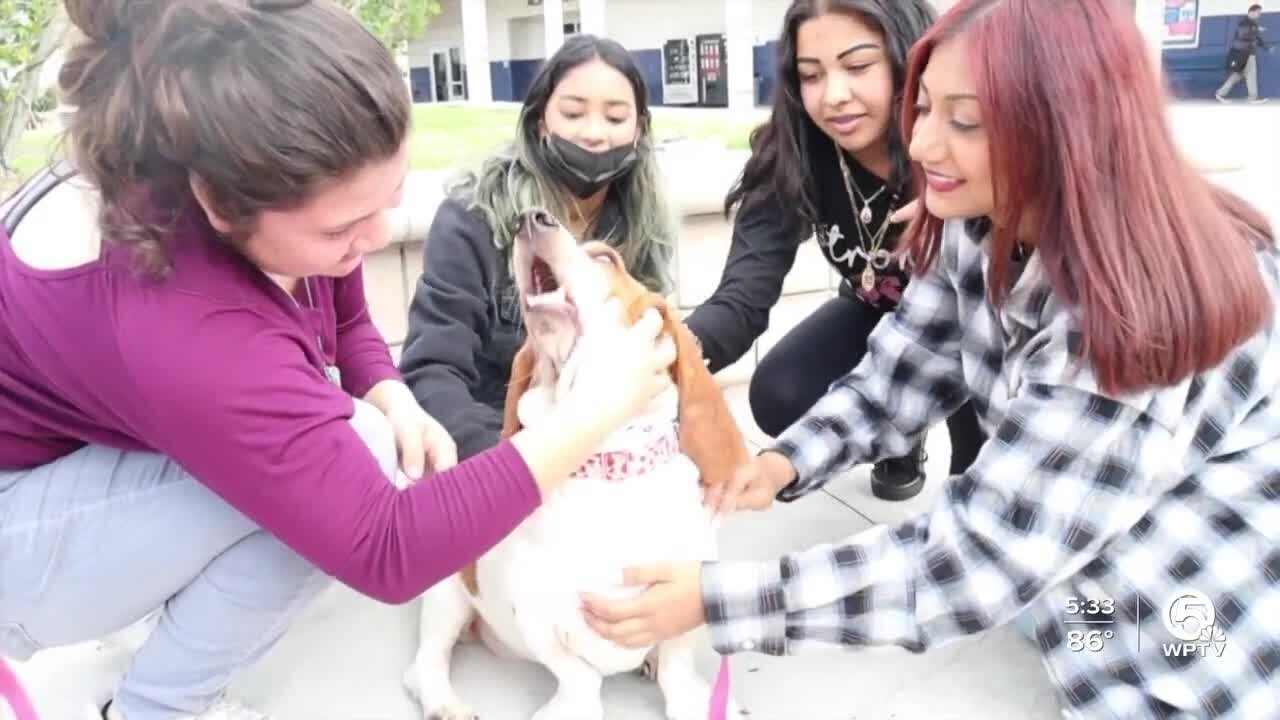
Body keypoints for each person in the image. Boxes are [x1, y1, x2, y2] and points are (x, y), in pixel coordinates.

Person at [581, 1, 1280, 718]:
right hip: (1075, 587)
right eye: (925, 110)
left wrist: (713, 599)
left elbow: (972, 563)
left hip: (1201, 637)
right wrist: (780, 465)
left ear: (1070, 125)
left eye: (966, 121)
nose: (919, 148)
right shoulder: (974, 218)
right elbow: (901, 366)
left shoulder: (1143, 307)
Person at [0, 2, 674, 719]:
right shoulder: (188, 319)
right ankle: (156, 709)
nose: (379, 236)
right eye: (345, 227)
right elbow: (388, 550)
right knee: (355, 465)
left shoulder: (252, 158)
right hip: (20, 540)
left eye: (390, 196)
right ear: (221, 208)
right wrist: (599, 408)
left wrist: (394, 396)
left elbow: (343, 312)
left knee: (368, 437)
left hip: (87, 475)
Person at [682, 0, 985, 501]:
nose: (834, 96)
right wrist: (663, 358)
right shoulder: (797, 152)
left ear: (908, 58)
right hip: (878, 305)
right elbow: (740, 300)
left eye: (859, 66)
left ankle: (935, 429)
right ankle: (898, 441)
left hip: (970, 323)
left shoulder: (957, 152)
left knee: (978, 475)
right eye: (811, 75)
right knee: (782, 392)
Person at [399, 34, 677, 462]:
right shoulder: (473, 216)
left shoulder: (646, 224)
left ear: (639, 131)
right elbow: (433, 369)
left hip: (608, 448)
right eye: (573, 113)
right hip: (497, 445)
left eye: (616, 117)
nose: (594, 134)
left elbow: (653, 358)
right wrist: (510, 469)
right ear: (540, 121)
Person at [1216, 3, 1271, 104]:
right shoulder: (1244, 22)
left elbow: (1257, 39)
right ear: (1251, 12)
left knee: (1237, 75)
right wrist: (1256, 29)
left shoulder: (1253, 24)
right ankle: (1253, 97)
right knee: (1251, 74)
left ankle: (1220, 94)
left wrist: (1266, 48)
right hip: (1245, 52)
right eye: (1258, 12)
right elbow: (1243, 34)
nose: (1259, 15)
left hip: (1245, 53)